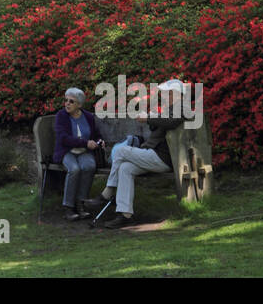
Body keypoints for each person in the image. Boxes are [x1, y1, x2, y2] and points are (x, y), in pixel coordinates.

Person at [86, 84, 185, 228]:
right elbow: (160, 126)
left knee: (120, 151)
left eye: (167, 94)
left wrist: (149, 118)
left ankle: (108, 192)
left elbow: (170, 122)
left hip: (162, 158)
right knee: (125, 168)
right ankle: (125, 215)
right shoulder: (170, 109)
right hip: (153, 156)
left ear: (177, 94)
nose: (164, 96)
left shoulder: (182, 108)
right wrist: (151, 117)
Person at [52, 87, 104, 220]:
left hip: (84, 152)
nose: (67, 103)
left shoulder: (88, 117)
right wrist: (85, 143)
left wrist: (99, 141)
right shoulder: (61, 116)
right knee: (74, 169)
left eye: (71, 101)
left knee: (89, 166)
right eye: (66, 100)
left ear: (79, 105)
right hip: (67, 151)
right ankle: (68, 208)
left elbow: (96, 135)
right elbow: (63, 138)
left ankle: (81, 204)